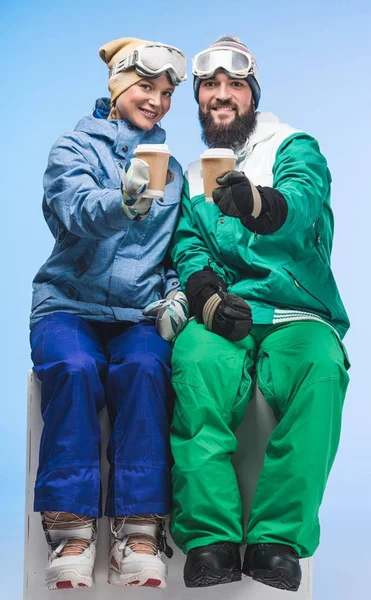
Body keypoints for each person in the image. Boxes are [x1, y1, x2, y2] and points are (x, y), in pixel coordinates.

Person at [170, 35, 350, 592]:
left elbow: (303, 202)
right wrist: (207, 297)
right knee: (195, 360)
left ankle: (277, 540)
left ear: (252, 93)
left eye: (235, 85)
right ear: (199, 98)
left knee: (321, 369)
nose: (222, 95)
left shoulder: (292, 146)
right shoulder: (196, 177)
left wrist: (256, 202)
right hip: (229, 315)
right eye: (210, 87)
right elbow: (189, 245)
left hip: (295, 314)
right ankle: (210, 540)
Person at [29, 37, 188, 590]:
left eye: (167, 93)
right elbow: (73, 213)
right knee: (73, 369)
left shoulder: (175, 173)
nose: (158, 101)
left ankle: (138, 529)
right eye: (146, 87)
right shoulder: (73, 149)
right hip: (69, 304)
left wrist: (176, 295)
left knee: (147, 370)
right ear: (118, 87)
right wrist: (122, 201)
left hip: (138, 313)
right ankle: (71, 530)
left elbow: (172, 252)